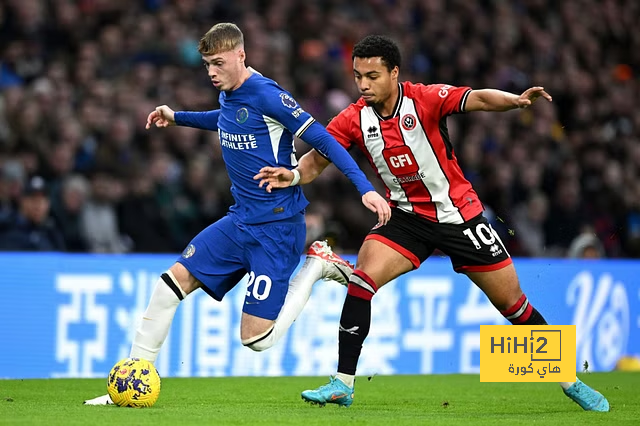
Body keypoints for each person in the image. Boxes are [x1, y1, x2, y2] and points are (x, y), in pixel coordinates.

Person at [254, 35, 609, 412]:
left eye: (372, 76)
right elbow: (316, 161)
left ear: (395, 73)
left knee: (513, 305)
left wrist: (515, 101)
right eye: (358, 76)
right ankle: (343, 383)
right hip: (406, 218)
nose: (363, 84)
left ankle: (570, 379)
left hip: (460, 217)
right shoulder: (354, 117)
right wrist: (290, 176)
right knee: (362, 279)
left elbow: (477, 98)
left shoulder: (424, 98)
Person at [84, 23, 390, 405]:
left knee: (256, 340)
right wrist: (176, 116)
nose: (211, 72)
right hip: (240, 221)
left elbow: (325, 139)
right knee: (167, 287)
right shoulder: (231, 94)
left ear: (240, 55)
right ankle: (129, 387)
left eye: (218, 63)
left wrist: (364, 189)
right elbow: (225, 119)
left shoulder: (268, 94)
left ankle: (315, 266)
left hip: (277, 228)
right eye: (207, 65)